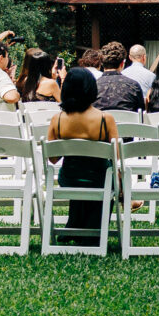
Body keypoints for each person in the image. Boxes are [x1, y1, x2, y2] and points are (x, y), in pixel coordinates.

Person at [47, 68, 119, 243]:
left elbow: (53, 158)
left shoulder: (57, 119)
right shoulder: (105, 119)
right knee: (105, 174)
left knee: (80, 175)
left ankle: (75, 227)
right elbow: (116, 157)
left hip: (69, 179)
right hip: (99, 179)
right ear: (91, 89)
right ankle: (90, 232)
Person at [94, 41, 144, 113]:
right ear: (122, 64)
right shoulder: (133, 86)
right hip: (127, 123)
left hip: (100, 123)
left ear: (102, 63)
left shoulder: (93, 87)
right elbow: (141, 113)